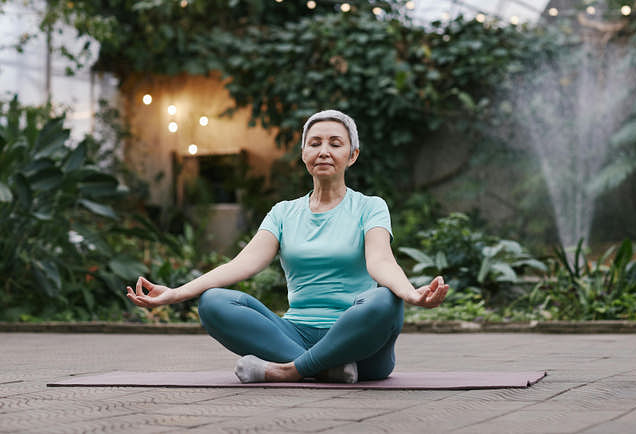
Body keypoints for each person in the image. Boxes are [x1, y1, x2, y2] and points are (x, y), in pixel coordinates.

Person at [126, 109, 449, 384]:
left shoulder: (370, 207)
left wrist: (410, 293)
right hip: (293, 334)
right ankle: (325, 369)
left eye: (335, 144)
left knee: (385, 301)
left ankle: (287, 371)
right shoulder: (283, 212)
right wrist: (176, 293)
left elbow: (380, 261)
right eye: (315, 143)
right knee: (213, 302)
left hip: (360, 346)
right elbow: (242, 264)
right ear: (303, 153)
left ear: (352, 156)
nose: (324, 151)